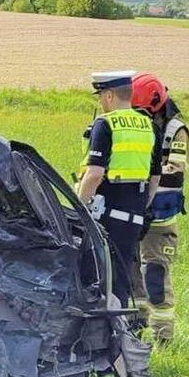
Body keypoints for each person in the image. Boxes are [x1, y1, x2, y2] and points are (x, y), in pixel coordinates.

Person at [75, 71, 162, 308]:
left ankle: (97, 337)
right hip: (133, 219)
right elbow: (155, 176)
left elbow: (94, 174)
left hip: (105, 217)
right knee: (121, 279)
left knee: (93, 277)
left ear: (110, 95)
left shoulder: (106, 123)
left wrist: (79, 207)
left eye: (101, 95)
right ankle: (121, 333)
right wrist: (140, 205)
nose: (101, 102)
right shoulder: (149, 127)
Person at [130, 73, 188, 343]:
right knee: (132, 282)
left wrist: (142, 174)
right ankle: (135, 334)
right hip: (133, 214)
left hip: (160, 219)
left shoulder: (176, 129)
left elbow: (174, 173)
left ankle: (164, 341)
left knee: (155, 280)